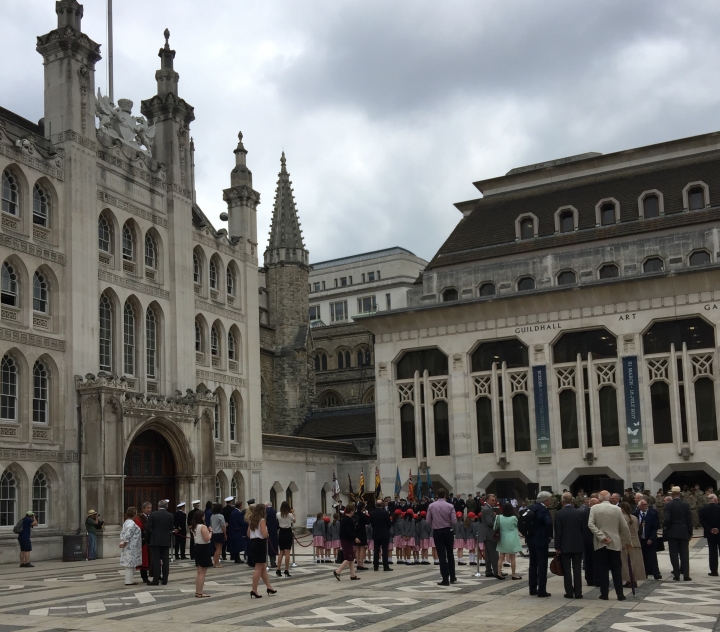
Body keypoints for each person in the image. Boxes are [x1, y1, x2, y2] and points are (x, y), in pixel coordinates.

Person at [588, 490, 632, 601]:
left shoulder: (594, 508)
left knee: (603, 569)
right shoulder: (617, 509)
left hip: (600, 543)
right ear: (609, 498)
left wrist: (602, 536)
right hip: (615, 542)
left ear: (599, 498)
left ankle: (604, 594)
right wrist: (628, 542)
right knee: (617, 569)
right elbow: (624, 527)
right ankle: (620, 594)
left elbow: (590, 524)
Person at [554, 492, 584, 599]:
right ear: (572, 501)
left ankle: (569, 592)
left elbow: (558, 532)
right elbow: (583, 529)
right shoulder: (579, 513)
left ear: (562, 502)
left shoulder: (559, 514)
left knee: (566, 570)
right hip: (577, 545)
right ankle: (578, 592)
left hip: (564, 545)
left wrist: (557, 547)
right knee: (577, 569)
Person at [426, 488, 457, 586]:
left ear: (437, 495)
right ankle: (452, 576)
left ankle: (445, 578)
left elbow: (428, 521)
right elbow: (454, 521)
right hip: (448, 531)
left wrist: (435, 523)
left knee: (441, 555)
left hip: (437, 531)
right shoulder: (450, 506)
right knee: (450, 554)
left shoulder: (431, 506)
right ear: (445, 495)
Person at [526, 491, 553, 597]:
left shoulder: (530, 508)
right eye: (549, 500)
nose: (550, 502)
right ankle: (541, 590)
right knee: (542, 565)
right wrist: (550, 535)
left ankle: (532, 588)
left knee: (532, 564)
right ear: (545, 500)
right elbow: (548, 523)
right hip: (541, 540)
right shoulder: (543, 510)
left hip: (530, 539)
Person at [664, 485, 693, 581]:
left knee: (674, 554)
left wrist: (668, 529)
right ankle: (686, 575)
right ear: (679, 494)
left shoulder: (668, 505)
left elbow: (667, 519)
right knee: (684, 554)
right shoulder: (685, 504)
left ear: (672, 494)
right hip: (684, 531)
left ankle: (676, 574)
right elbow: (689, 519)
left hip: (673, 532)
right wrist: (690, 532)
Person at [248, 503, 276, 598]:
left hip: (253, 542)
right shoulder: (262, 520)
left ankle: (269, 586)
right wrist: (267, 533)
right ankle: (254, 589)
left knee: (263, 566)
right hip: (260, 543)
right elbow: (264, 534)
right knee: (258, 567)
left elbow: (248, 534)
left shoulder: (252, 520)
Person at [146, 499, 175, 585]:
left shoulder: (153, 514)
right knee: (165, 561)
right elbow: (171, 528)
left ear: (158, 506)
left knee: (156, 561)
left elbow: (148, 527)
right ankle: (165, 580)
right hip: (165, 540)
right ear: (166, 507)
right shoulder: (170, 515)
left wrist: (148, 539)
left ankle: (155, 579)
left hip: (155, 540)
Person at [619, 502, 646, 587]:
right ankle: (634, 579)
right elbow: (637, 529)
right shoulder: (634, 517)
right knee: (635, 562)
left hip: (625, 542)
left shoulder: (621, 518)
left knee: (625, 563)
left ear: (622, 509)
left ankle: (629, 579)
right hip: (635, 542)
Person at [495, 502, 522, 580]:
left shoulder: (499, 517)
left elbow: (495, 527)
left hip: (502, 538)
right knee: (512, 557)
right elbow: (517, 526)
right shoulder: (513, 518)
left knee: (501, 557)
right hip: (512, 538)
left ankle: (499, 573)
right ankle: (513, 574)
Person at [333, 503, 360, 581]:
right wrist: (354, 538)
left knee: (351, 557)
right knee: (349, 557)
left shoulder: (343, 518)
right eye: (353, 510)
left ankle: (353, 575)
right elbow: (349, 531)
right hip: (347, 540)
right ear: (351, 511)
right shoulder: (349, 520)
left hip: (344, 539)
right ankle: (338, 571)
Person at [635, 499, 661, 579]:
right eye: (644, 504)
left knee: (652, 556)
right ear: (639, 506)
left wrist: (651, 538)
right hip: (640, 539)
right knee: (643, 557)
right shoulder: (635, 514)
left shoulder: (652, 514)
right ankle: (644, 573)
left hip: (650, 538)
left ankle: (656, 573)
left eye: (646, 504)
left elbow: (655, 527)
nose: (646, 506)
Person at [479, 494, 502, 579]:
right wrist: (498, 524)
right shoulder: (487, 509)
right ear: (487, 500)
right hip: (489, 533)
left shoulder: (487, 508)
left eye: (495, 500)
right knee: (493, 554)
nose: (494, 502)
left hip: (487, 533)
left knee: (488, 554)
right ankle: (497, 571)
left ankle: (488, 570)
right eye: (492, 500)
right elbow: (489, 522)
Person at [190, 509, 212, 598]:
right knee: (203, 572)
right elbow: (207, 538)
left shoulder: (195, 526)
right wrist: (211, 532)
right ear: (202, 517)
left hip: (197, 547)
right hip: (204, 548)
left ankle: (198, 591)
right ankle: (200, 592)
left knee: (199, 571)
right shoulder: (202, 526)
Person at [119, 507, 142, 585]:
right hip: (131, 546)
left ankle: (130, 580)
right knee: (130, 564)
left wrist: (123, 541)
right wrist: (125, 541)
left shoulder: (126, 522)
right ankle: (128, 581)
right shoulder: (131, 523)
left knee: (130, 564)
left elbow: (122, 533)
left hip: (130, 546)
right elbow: (128, 534)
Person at [699, 494, 720, 576]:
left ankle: (714, 571)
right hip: (719, 533)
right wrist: (718, 529)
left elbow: (702, 521)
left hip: (710, 533)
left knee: (712, 552)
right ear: (715, 500)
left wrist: (710, 529)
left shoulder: (703, 509)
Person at [369, 499, 392, 571]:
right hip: (384, 534)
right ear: (382, 505)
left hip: (376, 533)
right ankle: (386, 566)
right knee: (385, 551)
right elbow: (389, 523)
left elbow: (371, 523)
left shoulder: (372, 513)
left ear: (376, 505)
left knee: (376, 550)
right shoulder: (385, 513)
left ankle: (376, 566)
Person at [581, 498, 598, 586]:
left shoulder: (583, 512)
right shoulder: (594, 512)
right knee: (595, 560)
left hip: (586, 539)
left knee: (588, 560)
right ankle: (596, 578)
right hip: (594, 538)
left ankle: (589, 579)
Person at [276, 501, 295, 577]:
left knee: (281, 552)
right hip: (288, 531)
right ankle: (286, 569)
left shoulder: (278, 514)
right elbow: (294, 520)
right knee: (287, 552)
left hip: (281, 532)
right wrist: (293, 513)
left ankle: (278, 569)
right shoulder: (290, 515)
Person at [135, 502, 152, 583]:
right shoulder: (139, 519)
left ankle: (155, 574)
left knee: (152, 559)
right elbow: (139, 530)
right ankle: (144, 577)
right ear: (143, 509)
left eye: (150, 508)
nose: (149, 510)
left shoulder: (152, 517)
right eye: (147, 508)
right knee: (144, 560)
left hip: (152, 541)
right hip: (144, 542)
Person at [210, 503, 227, 568]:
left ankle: (215, 562)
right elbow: (223, 526)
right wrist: (225, 534)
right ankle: (216, 563)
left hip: (214, 533)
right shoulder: (221, 516)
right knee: (218, 549)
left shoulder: (212, 516)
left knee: (216, 549)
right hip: (219, 533)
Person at [354, 502, 369, 570]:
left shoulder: (354, 514)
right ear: (363, 507)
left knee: (357, 549)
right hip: (362, 532)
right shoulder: (363, 515)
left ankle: (358, 563)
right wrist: (366, 514)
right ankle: (361, 564)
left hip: (356, 532)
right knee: (362, 548)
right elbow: (367, 522)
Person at [221, 496, 235, 561]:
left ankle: (223, 555)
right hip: (231, 527)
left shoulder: (223, 509)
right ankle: (232, 555)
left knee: (224, 542)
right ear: (231, 502)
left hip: (224, 526)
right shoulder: (233, 509)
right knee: (231, 541)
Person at [266, 502, 279, 569]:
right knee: (273, 546)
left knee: (267, 547)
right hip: (274, 532)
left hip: (267, 531)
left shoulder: (265, 511)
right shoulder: (274, 511)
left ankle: (265, 563)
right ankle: (273, 562)